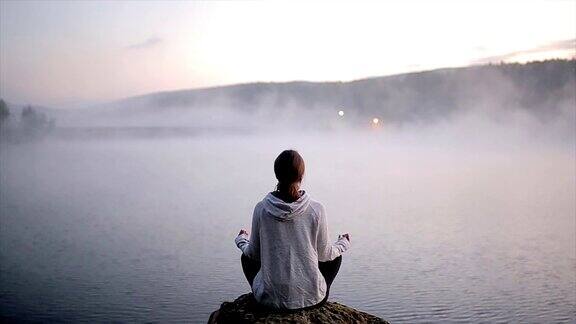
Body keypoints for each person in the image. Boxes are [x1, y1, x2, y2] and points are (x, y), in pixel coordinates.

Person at [235, 149, 351, 310]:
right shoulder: (316, 209)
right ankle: (316, 291)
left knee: (246, 258)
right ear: (301, 176)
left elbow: (253, 254)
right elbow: (325, 255)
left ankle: (261, 293)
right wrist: (343, 243)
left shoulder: (261, 208)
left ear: (277, 175)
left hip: (270, 303)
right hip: (311, 301)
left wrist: (241, 240)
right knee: (335, 257)